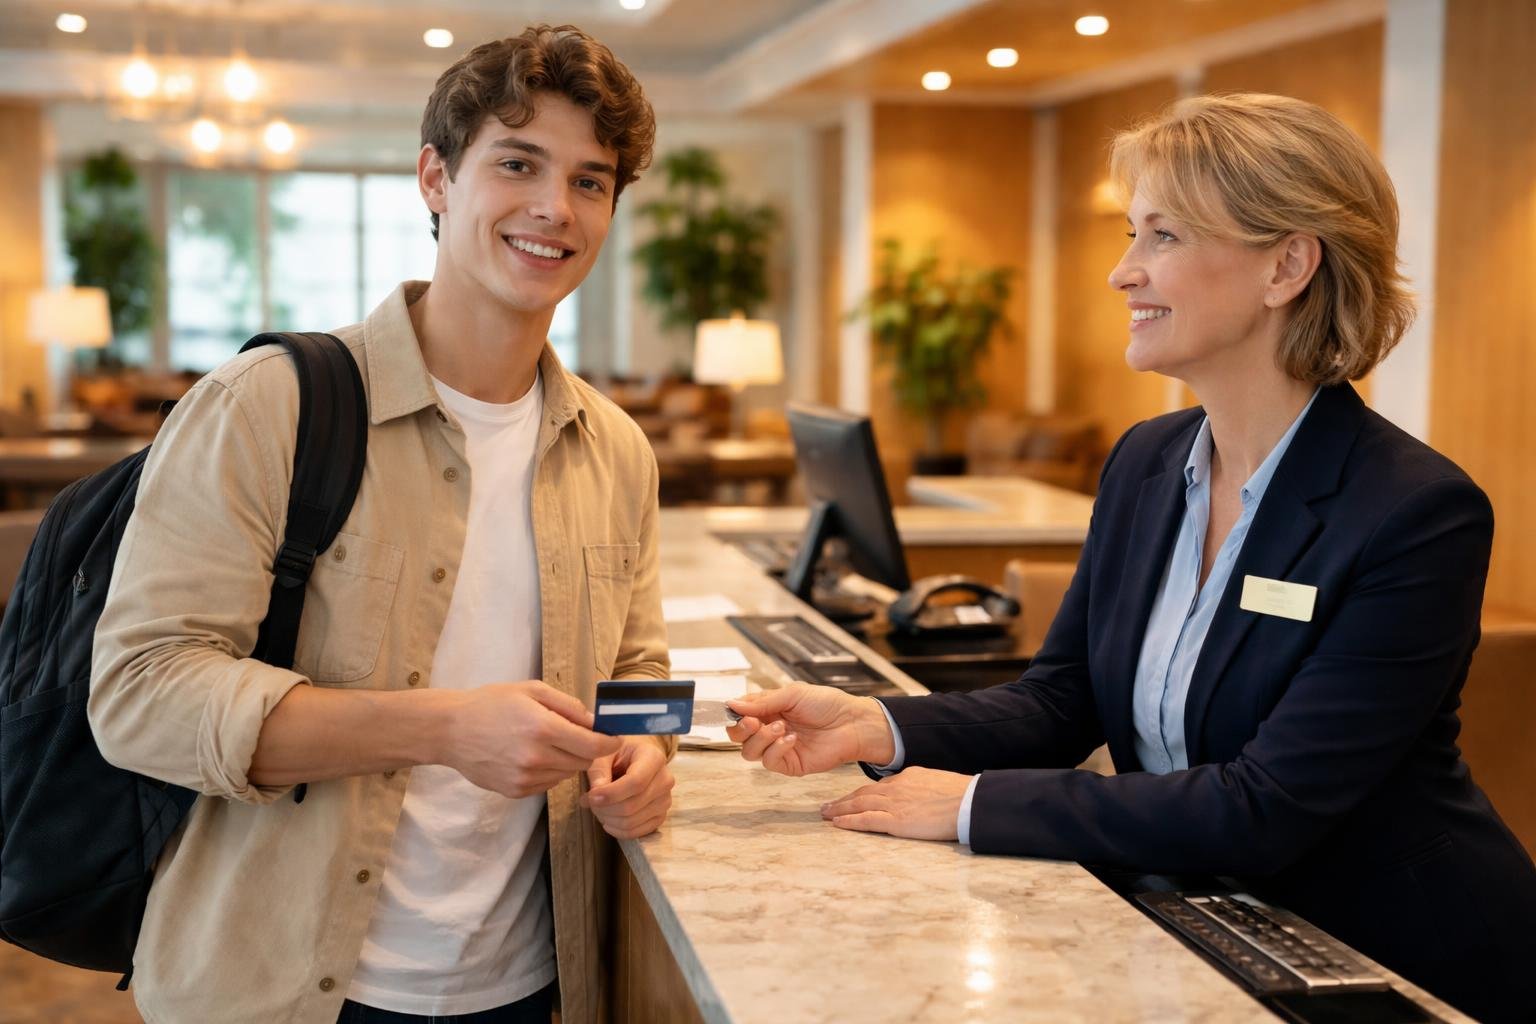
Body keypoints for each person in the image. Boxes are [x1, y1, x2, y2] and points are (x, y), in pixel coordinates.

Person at [727, 93, 1536, 1023]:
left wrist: (972, 805)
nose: (1122, 271)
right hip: (1196, 921)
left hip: (1386, 961)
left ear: (1287, 265)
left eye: (1163, 236)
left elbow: (1264, 806)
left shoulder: (1414, 511)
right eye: (1131, 233)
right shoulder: (1148, 463)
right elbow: (1061, 698)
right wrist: (876, 725)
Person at [88, 25, 673, 1024]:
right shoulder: (269, 403)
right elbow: (139, 694)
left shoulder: (614, 448)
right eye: (518, 163)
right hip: (285, 985)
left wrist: (648, 756)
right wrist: (446, 728)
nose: (553, 208)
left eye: (591, 180)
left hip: (536, 980)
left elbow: (638, 672)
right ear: (436, 179)